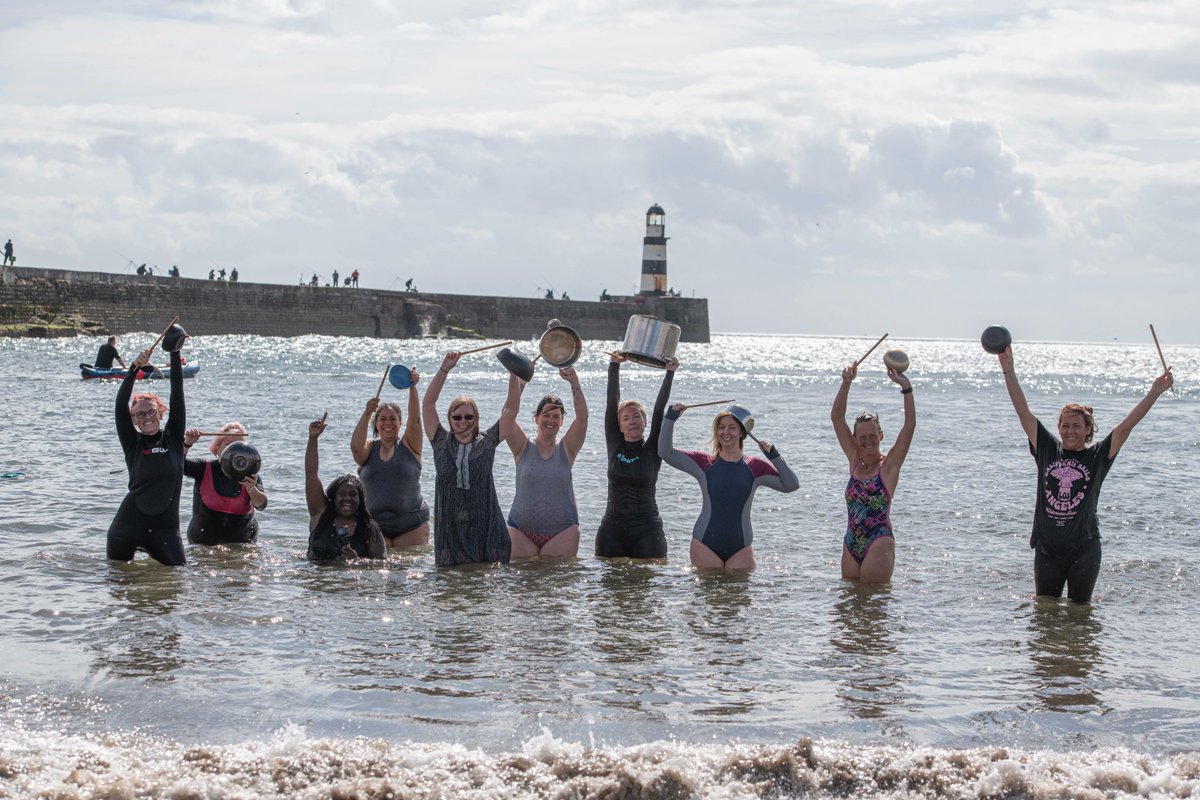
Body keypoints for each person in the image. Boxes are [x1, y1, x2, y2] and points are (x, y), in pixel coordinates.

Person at [998, 345, 1173, 603]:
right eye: (1065, 425)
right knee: (1045, 616)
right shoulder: (1046, 448)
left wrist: (1154, 392)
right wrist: (1009, 370)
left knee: (1081, 615)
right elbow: (1023, 413)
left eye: (1077, 426)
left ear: (1087, 430)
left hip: (1085, 550)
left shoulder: (1097, 456)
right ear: (1058, 428)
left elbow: (1126, 427)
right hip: (1047, 550)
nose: (1070, 431)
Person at [659, 405, 800, 569]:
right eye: (721, 427)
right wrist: (670, 418)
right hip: (704, 543)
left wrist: (774, 455)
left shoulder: (755, 467)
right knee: (711, 592)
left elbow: (791, 485)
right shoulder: (704, 463)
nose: (726, 432)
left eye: (732, 428)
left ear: (742, 432)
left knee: (740, 593)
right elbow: (665, 452)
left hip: (741, 547)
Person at [422, 351, 510, 566]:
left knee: (485, 583)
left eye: (468, 416)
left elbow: (511, 410)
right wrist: (445, 368)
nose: (463, 421)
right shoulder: (439, 441)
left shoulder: (488, 441)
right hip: (450, 528)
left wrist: (514, 375)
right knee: (450, 584)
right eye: (457, 417)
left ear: (476, 418)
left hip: (486, 526)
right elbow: (428, 404)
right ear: (450, 419)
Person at [830, 362, 916, 583]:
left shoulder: (889, 466)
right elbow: (837, 418)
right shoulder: (854, 460)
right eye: (862, 437)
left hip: (878, 541)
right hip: (851, 541)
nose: (868, 441)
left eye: (873, 436)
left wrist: (906, 389)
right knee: (848, 605)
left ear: (881, 436)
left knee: (874, 607)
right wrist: (846, 382)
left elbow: (909, 425)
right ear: (856, 439)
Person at [107, 344, 188, 566]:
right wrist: (134, 368)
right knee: (119, 589)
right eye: (139, 414)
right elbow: (119, 405)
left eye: (151, 411)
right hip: (127, 528)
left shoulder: (172, 438)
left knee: (177, 582)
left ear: (161, 413)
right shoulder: (132, 442)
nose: (146, 417)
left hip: (166, 532)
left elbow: (177, 391)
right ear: (133, 420)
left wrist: (175, 351)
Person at [594, 353, 678, 558]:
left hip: (647, 529)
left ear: (644, 422)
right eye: (626, 418)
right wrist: (614, 366)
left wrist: (669, 374)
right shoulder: (615, 445)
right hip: (612, 529)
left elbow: (659, 411)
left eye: (636, 416)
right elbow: (611, 402)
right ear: (620, 426)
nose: (632, 421)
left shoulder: (651, 449)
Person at [499, 367, 588, 559]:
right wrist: (519, 383)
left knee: (555, 584)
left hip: (563, 532)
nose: (551, 420)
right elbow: (506, 416)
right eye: (546, 415)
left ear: (562, 421)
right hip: (520, 531)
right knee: (520, 582)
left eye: (556, 416)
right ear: (536, 418)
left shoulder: (567, 449)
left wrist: (574, 382)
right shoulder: (522, 446)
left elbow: (582, 419)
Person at [351, 372, 430, 548]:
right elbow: (356, 449)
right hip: (375, 526)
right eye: (383, 419)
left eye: (393, 418)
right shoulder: (369, 447)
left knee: (407, 567)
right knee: (376, 570)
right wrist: (367, 412)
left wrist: (412, 388)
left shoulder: (410, 446)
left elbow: (415, 420)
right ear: (376, 424)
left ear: (400, 423)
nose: (388, 423)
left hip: (412, 526)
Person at [305, 412, 385, 560]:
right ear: (333, 498)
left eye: (353, 494)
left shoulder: (370, 530)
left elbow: (382, 566)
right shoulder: (320, 514)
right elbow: (311, 475)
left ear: (361, 500)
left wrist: (357, 562)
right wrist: (313, 438)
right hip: (319, 577)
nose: (347, 498)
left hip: (351, 582)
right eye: (342, 494)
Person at [181, 422, 267, 545]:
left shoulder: (250, 476)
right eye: (228, 445)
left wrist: (251, 488)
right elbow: (177, 464)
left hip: (242, 545)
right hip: (203, 546)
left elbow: (261, 505)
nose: (233, 451)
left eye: (237, 446)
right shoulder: (204, 468)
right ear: (217, 449)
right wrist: (187, 443)